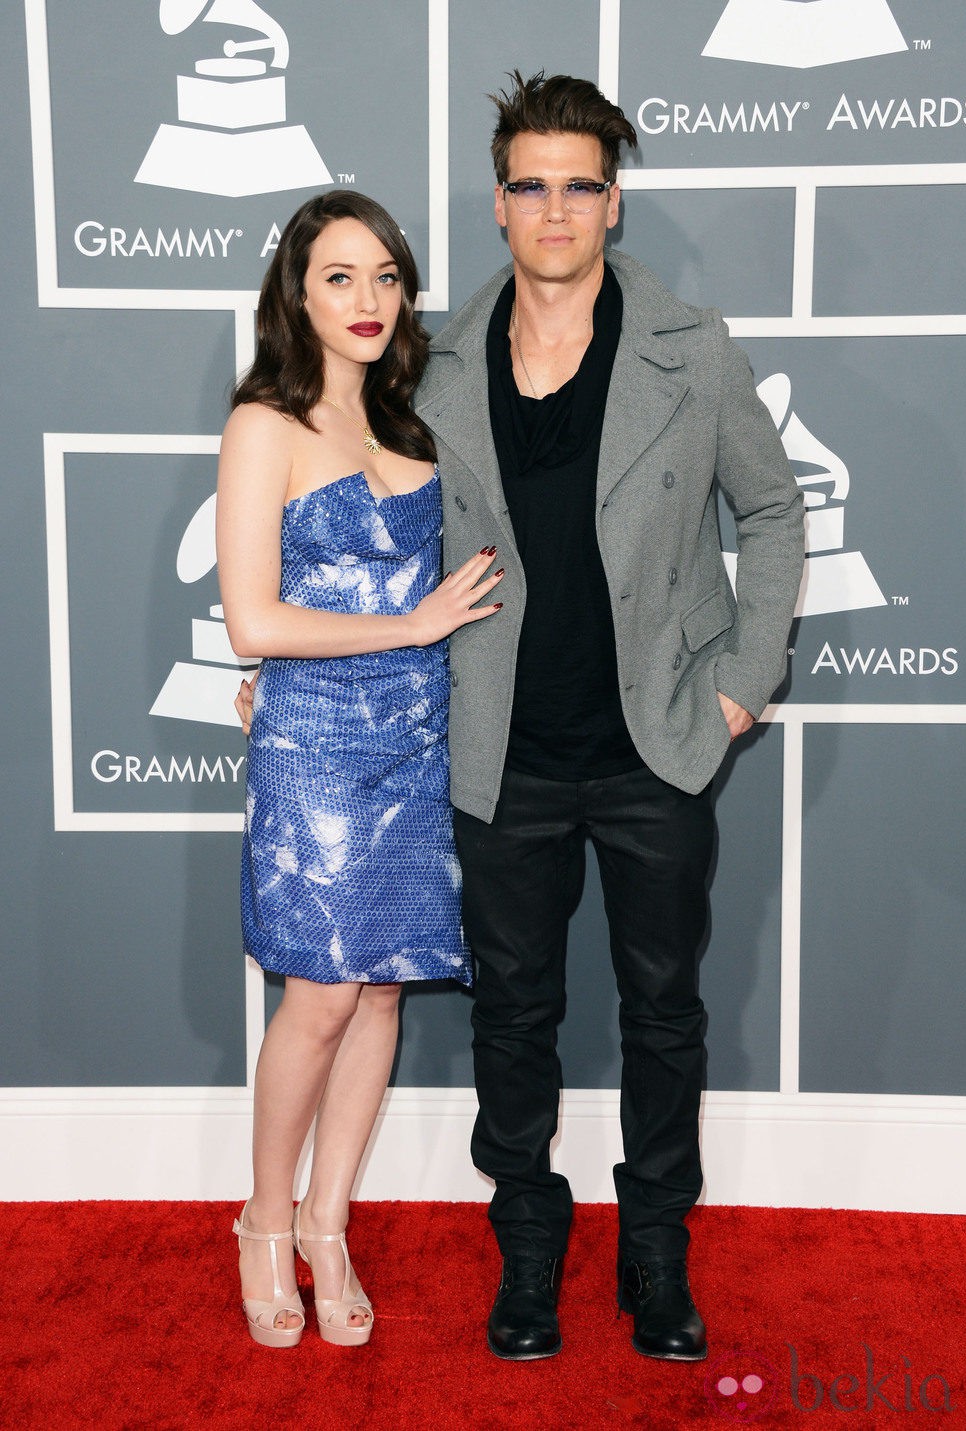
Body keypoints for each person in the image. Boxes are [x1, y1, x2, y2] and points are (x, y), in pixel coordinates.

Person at [411, 72, 805, 1362]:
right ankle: (528, 1246)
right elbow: (365, 530)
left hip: (656, 744)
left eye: (580, 184)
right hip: (500, 746)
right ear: (499, 203)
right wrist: (297, 657)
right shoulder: (434, 360)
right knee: (513, 1013)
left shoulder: (691, 352)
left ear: (613, 201)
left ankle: (654, 1253)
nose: (556, 208)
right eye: (531, 184)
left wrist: (746, 675)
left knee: (661, 1012)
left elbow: (772, 510)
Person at [216, 191, 502, 1349]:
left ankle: (331, 1223)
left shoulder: (417, 427)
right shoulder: (262, 426)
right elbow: (252, 622)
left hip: (416, 742)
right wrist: (412, 625)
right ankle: (262, 1223)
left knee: (381, 987)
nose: (368, 300)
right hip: (316, 745)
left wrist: (427, 642)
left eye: (385, 275)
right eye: (338, 277)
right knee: (322, 993)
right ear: (295, 292)